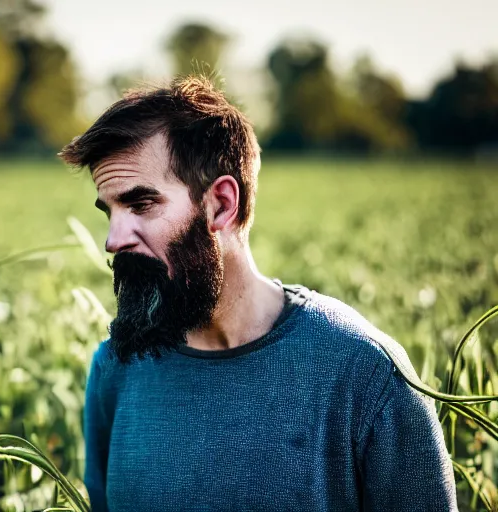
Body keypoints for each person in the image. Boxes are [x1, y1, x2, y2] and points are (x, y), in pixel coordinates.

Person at [59, 75, 458, 512]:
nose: (113, 240)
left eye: (141, 205)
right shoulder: (116, 367)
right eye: (109, 212)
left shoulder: (365, 377)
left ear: (221, 204)